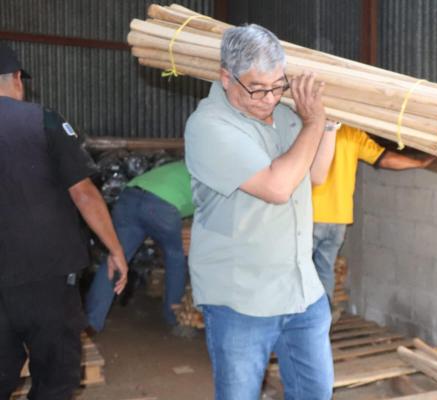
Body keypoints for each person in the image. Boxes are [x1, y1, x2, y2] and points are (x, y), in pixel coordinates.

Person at [184, 25, 336, 399]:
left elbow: (315, 174)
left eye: (277, 86)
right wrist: (313, 123)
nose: (268, 98)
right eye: (257, 88)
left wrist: (329, 123)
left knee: (315, 393)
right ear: (226, 77)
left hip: (301, 290)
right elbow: (278, 187)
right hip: (242, 300)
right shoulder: (209, 126)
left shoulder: (284, 113)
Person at [0, 44, 128, 399]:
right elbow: (83, 192)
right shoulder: (44, 121)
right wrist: (115, 250)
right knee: (55, 380)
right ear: (16, 80)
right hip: (48, 279)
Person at [311, 126, 434, 315]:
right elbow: (384, 159)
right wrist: (418, 163)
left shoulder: (308, 128)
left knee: (299, 273)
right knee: (325, 271)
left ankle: (297, 328)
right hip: (338, 220)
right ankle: (321, 325)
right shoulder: (351, 133)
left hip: (310, 216)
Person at [85, 160, 193, 334]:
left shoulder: (184, 165)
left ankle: (91, 321)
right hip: (161, 207)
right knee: (175, 258)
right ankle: (174, 319)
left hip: (129, 197)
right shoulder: (211, 177)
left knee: (115, 259)